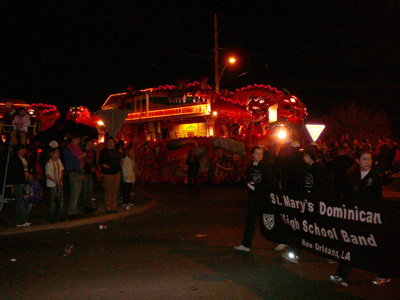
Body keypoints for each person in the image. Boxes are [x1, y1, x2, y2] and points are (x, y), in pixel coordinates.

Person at [330, 148, 390, 287]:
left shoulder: (374, 176)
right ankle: (342, 275)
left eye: (370, 159)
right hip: (353, 216)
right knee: (348, 244)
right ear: (357, 160)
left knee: (373, 246)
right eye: (364, 159)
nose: (368, 162)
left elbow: (378, 198)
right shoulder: (350, 175)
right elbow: (344, 194)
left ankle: (384, 274)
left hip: (369, 218)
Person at [281, 145, 332, 263]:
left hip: (314, 204)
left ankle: (295, 252)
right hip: (312, 204)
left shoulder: (316, 170)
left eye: (304, 155)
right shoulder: (312, 168)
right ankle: (329, 254)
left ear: (308, 156)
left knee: (306, 228)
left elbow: (318, 188)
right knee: (314, 230)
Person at [234, 146, 278, 252]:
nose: (259, 156)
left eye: (261, 153)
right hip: (254, 197)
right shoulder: (252, 167)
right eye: (257, 153)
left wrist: (256, 187)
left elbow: (269, 183)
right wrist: (249, 185)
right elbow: (251, 178)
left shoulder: (265, 167)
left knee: (269, 220)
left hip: (263, 198)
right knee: (250, 220)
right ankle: (246, 244)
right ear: (252, 155)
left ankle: (281, 241)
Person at [8, 144, 33, 227]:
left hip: (25, 182)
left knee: (26, 201)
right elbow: (15, 171)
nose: (24, 151)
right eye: (22, 149)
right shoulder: (15, 159)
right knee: (20, 202)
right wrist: (24, 173)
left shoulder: (25, 159)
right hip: (19, 182)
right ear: (18, 151)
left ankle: (23, 219)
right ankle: (21, 221)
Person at [63, 133, 86, 219]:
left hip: (78, 172)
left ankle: (73, 210)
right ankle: (71, 212)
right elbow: (72, 160)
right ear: (73, 140)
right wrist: (81, 156)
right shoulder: (69, 149)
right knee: (75, 193)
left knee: (77, 192)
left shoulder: (77, 148)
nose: (79, 141)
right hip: (73, 172)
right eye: (77, 139)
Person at [98, 138, 121, 213]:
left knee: (114, 191)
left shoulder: (116, 152)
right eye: (109, 142)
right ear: (107, 143)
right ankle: (108, 206)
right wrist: (104, 165)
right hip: (108, 173)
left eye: (112, 142)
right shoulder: (104, 152)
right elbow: (100, 160)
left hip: (115, 173)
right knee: (108, 190)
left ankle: (113, 206)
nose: (111, 143)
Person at [45, 148, 64, 223]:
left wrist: (60, 179)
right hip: (51, 185)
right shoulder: (49, 163)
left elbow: (61, 170)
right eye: (57, 153)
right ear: (53, 155)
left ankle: (59, 216)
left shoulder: (58, 162)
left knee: (60, 201)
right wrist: (55, 180)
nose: (58, 155)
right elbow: (48, 175)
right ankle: (52, 217)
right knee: (52, 202)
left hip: (58, 184)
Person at [81, 138, 97, 214]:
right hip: (85, 172)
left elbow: (94, 161)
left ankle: (89, 205)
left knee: (90, 190)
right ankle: (85, 206)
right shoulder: (83, 151)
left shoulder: (93, 151)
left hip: (91, 172)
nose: (92, 143)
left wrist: (94, 167)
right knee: (85, 190)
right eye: (91, 142)